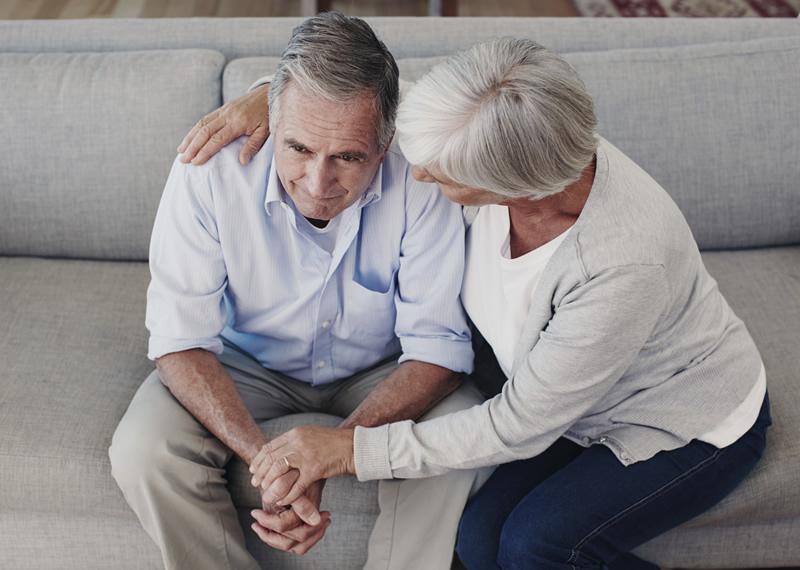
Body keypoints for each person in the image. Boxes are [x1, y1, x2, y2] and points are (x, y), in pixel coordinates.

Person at [194, 37, 772, 569]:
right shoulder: (519, 128)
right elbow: (376, 96)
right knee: (475, 540)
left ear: (514, 191)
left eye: (442, 176)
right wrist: (269, 99)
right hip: (564, 402)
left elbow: (517, 425)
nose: (417, 172)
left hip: (675, 419)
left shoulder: (621, 262)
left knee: (537, 546)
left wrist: (349, 450)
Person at [108, 12, 488, 570]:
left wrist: (335, 451)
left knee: (459, 440)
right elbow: (179, 339)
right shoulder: (208, 171)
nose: (318, 183)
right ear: (269, 120)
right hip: (245, 362)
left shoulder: (423, 175)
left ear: (384, 145)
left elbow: (438, 349)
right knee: (143, 453)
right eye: (299, 149)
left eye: (348, 157)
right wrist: (272, 465)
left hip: (382, 368)